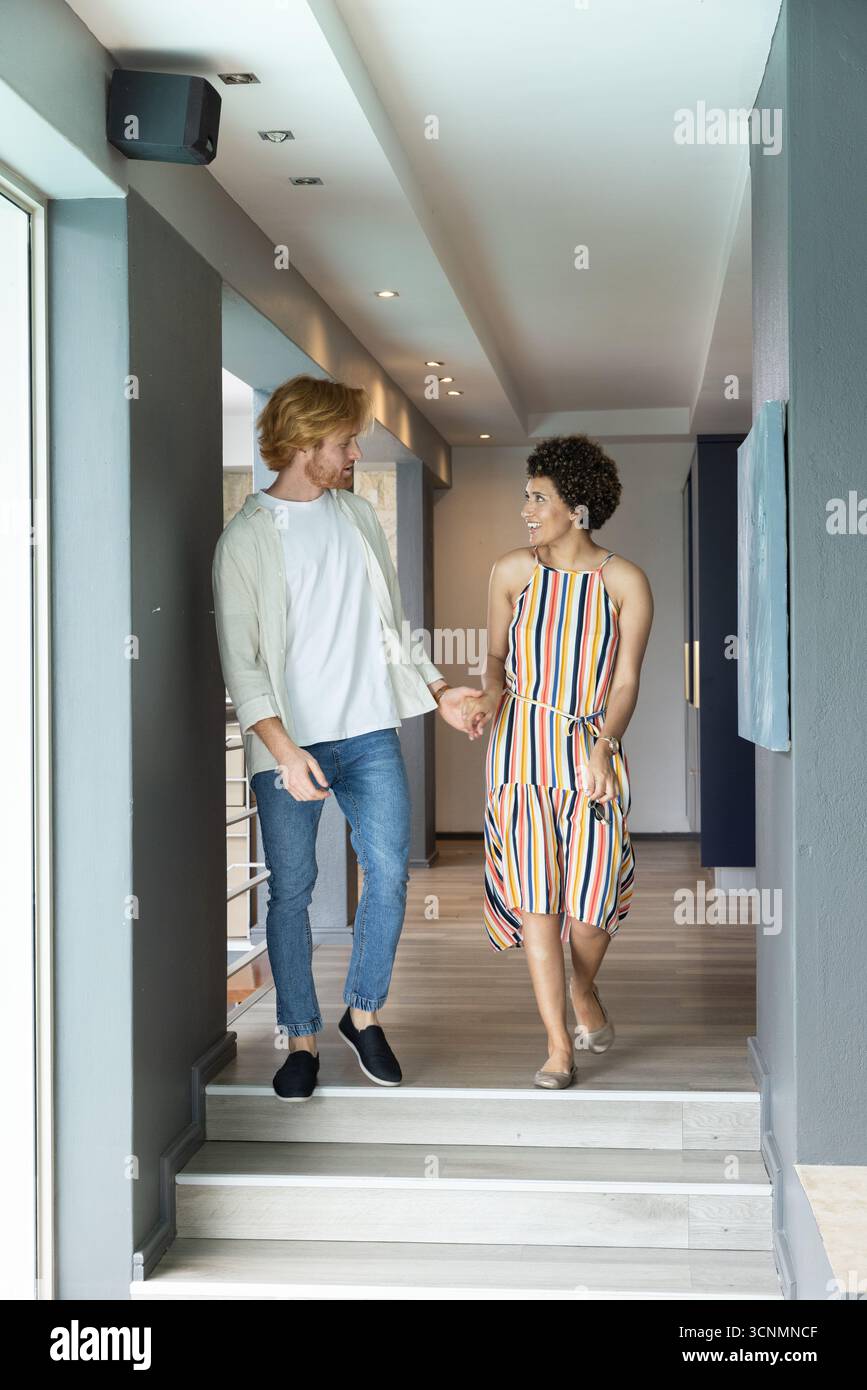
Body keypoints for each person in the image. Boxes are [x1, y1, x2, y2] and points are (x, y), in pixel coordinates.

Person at [212, 375, 477, 1101]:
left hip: (366, 733)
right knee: (292, 891)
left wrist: (439, 690)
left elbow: (391, 629)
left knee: (387, 873)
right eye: (344, 441)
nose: (355, 452)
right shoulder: (244, 541)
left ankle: (361, 1015)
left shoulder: (357, 517)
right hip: (289, 744)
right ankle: (299, 1036)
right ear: (303, 444)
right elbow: (244, 665)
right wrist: (283, 749)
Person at [461, 435, 654, 1089]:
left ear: (577, 509)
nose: (525, 508)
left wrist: (603, 744)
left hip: (590, 752)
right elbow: (492, 662)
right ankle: (556, 1047)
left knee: (593, 905)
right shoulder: (511, 571)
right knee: (539, 904)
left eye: (537, 497)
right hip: (519, 751)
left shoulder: (623, 580)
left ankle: (582, 992)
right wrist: (485, 700)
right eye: (526, 495)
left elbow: (625, 683)